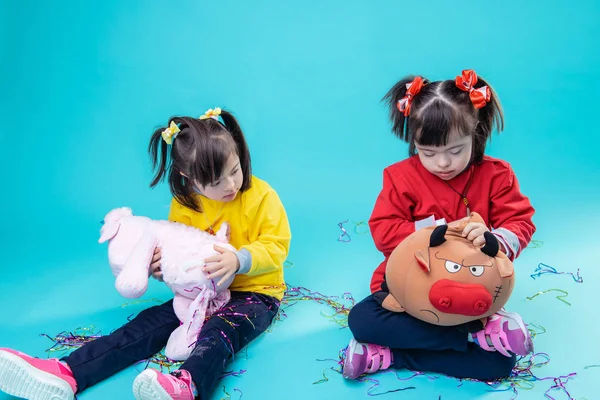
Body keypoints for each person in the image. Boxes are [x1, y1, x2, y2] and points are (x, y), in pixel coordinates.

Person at [0, 107, 291, 400]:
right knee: (147, 324)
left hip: (255, 293)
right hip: (197, 294)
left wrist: (238, 260)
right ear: (188, 178)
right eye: (216, 182)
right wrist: (160, 266)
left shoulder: (261, 197)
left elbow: (276, 245)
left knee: (219, 330)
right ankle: (68, 372)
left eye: (235, 170)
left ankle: (187, 385)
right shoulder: (186, 205)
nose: (230, 185)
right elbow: (178, 251)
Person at [342, 70, 536, 382]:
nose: (442, 163)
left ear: (476, 133)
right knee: (362, 321)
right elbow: (384, 229)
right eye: (428, 152)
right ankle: (470, 340)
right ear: (414, 142)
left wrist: (493, 239)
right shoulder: (400, 177)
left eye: (455, 150)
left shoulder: (497, 175)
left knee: (499, 366)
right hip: (409, 291)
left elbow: (520, 221)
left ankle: (389, 354)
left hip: (467, 293)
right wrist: (439, 235)